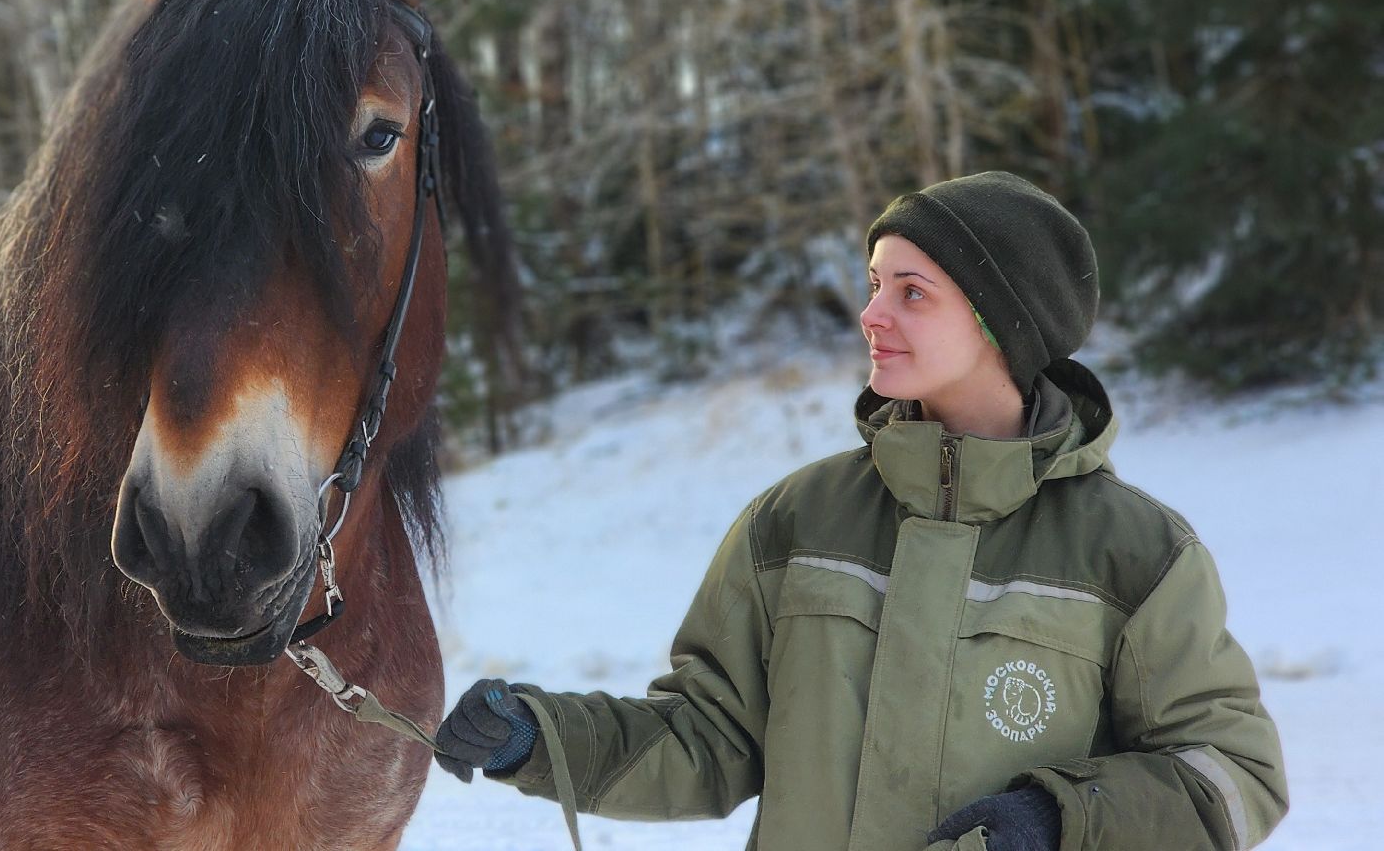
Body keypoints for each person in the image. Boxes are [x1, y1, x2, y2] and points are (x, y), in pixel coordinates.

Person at [434, 172, 1287, 851]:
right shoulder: (800, 519)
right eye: (875, 283)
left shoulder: (1136, 553)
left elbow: (1234, 777)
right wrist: (539, 741)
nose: (871, 315)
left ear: (1004, 323)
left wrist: (1059, 821)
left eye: (912, 293)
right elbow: (711, 740)